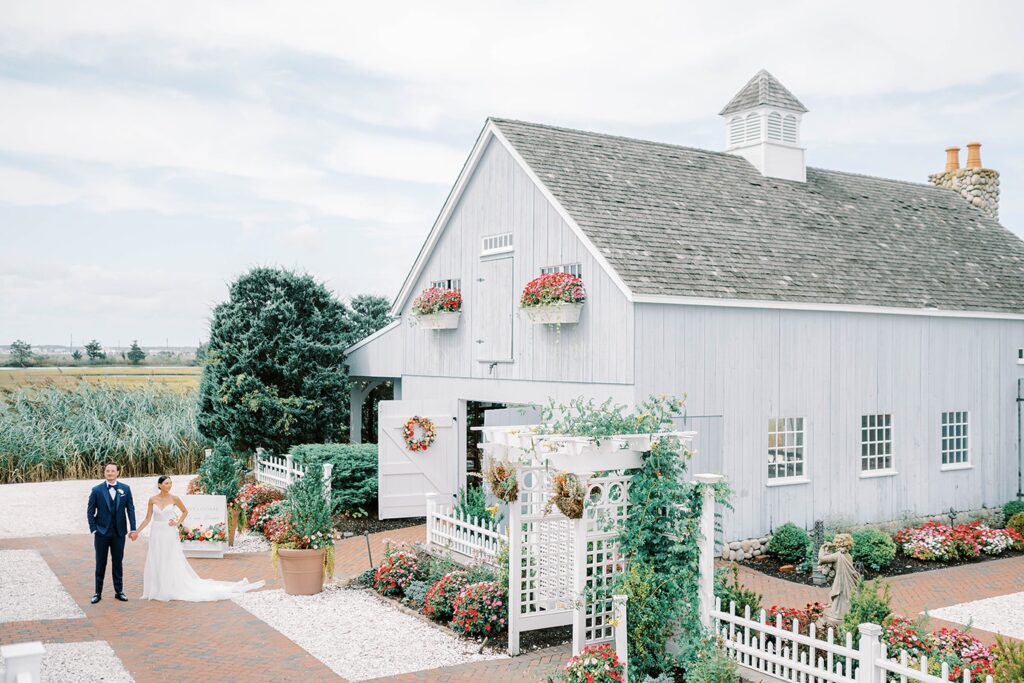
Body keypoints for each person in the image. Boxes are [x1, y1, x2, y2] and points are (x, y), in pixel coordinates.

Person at [136, 475, 264, 601]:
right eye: (166, 483)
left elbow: (185, 511)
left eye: (170, 483)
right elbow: (147, 518)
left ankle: (169, 587)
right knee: (157, 557)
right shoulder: (152, 500)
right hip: (156, 532)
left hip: (168, 532)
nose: (169, 486)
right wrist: (137, 532)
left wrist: (177, 522)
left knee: (169, 557)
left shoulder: (174, 498)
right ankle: (158, 588)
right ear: (159, 485)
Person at [87, 463, 137, 604]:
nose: (110, 473)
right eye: (107, 471)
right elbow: (90, 511)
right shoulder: (96, 490)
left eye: (112, 471)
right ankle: (98, 592)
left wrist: (133, 528)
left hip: (119, 533)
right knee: (100, 563)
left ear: (118, 472)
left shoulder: (125, 489)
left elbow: (130, 509)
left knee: (117, 562)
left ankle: (119, 591)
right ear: (104, 473)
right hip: (101, 533)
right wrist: (94, 528)